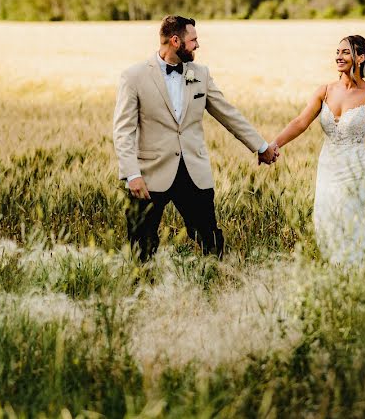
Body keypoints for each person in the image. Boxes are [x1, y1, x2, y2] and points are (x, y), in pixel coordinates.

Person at [112, 14, 279, 261]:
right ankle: (141, 293)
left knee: (210, 239)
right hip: (148, 174)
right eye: (194, 40)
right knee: (141, 244)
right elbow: (123, 130)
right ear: (176, 41)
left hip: (193, 170)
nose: (198, 45)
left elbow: (227, 113)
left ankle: (214, 286)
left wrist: (261, 146)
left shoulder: (200, 73)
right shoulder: (133, 76)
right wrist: (132, 174)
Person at [271, 35, 365, 266]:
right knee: (325, 220)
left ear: (360, 57)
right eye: (337, 52)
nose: (338, 57)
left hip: (354, 168)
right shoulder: (325, 91)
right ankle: (342, 269)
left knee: (349, 218)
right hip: (328, 167)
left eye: (345, 52)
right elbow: (301, 122)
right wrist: (274, 145)